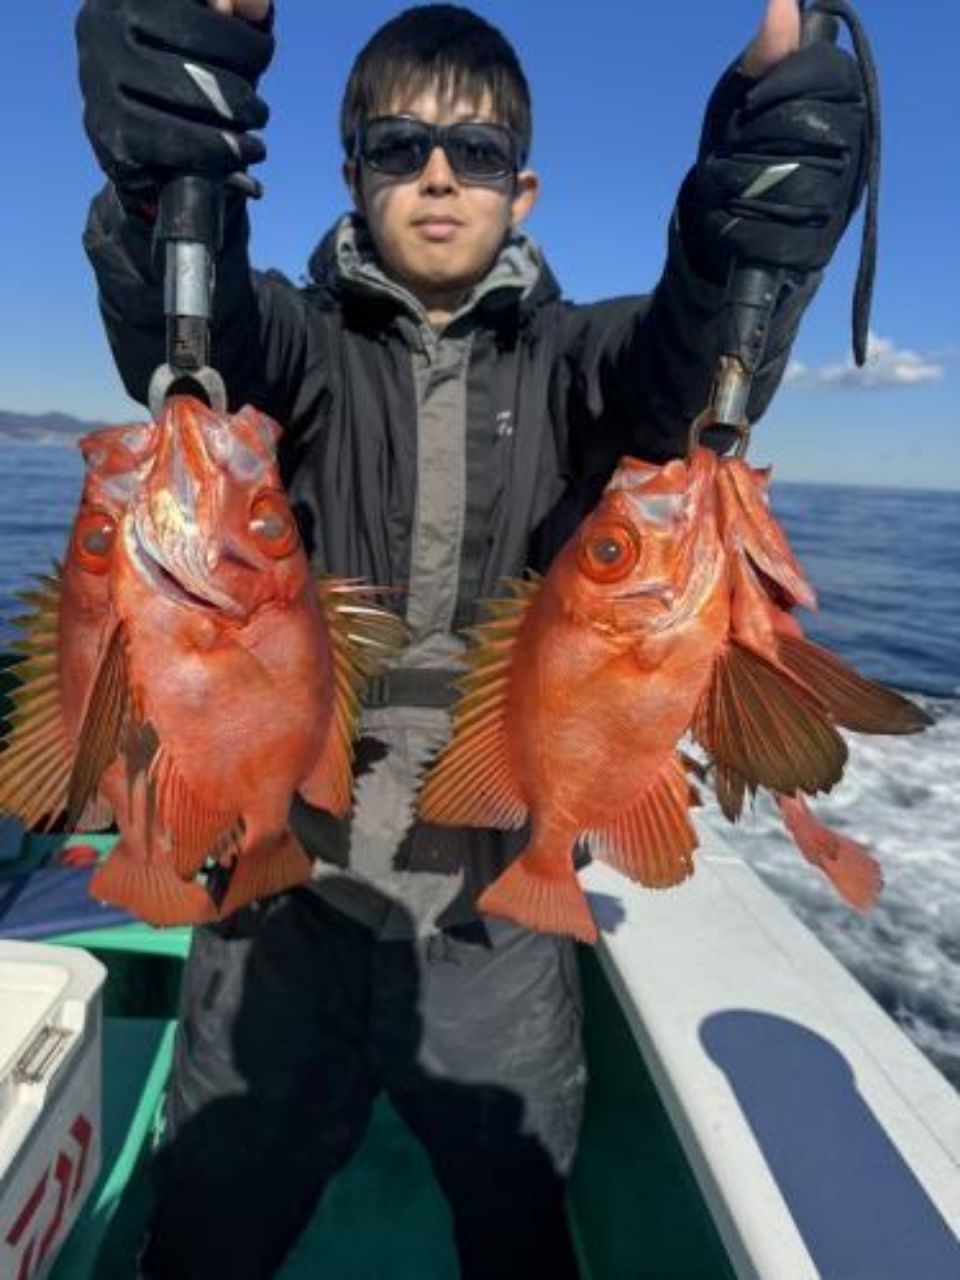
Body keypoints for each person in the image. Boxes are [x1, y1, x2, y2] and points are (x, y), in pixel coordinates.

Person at [75, 1, 867, 1275]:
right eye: (399, 149)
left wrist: (758, 172)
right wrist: (172, 156)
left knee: (516, 1215)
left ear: (526, 188)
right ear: (351, 178)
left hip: (494, 907)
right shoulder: (292, 341)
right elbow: (191, 319)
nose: (438, 176)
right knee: (215, 1215)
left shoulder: (587, 362)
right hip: (285, 901)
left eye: (477, 154)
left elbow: (697, 353)